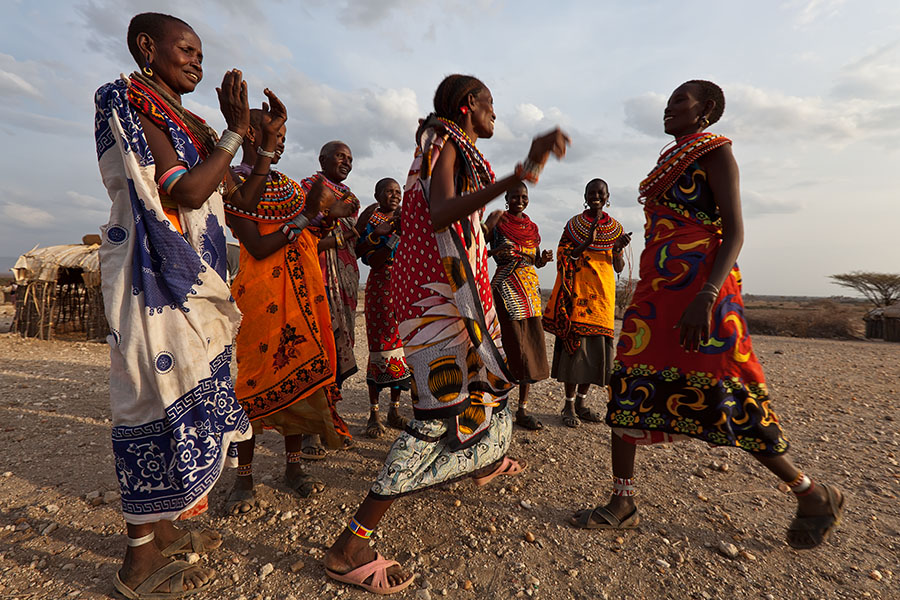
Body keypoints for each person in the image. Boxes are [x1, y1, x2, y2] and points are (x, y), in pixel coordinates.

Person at [322, 74, 570, 594]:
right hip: (439, 304)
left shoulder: (451, 144)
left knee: (486, 386)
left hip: (455, 299)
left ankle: (484, 460)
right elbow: (439, 213)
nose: (494, 114)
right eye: (490, 105)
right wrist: (518, 174)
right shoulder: (441, 140)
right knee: (435, 418)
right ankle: (349, 547)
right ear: (467, 106)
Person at [570, 80, 844, 549]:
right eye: (667, 100)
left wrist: (708, 295)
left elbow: (735, 231)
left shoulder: (717, 154)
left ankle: (811, 492)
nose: (667, 107)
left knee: (726, 393)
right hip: (658, 296)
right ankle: (623, 502)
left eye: (680, 101)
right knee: (629, 382)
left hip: (704, 293)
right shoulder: (669, 159)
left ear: (707, 110)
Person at [95, 12, 285, 598]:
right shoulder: (127, 100)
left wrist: (261, 152)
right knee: (148, 402)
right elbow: (186, 190)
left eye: (201, 53)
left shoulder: (191, 123)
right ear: (147, 47)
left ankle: (162, 529)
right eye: (186, 50)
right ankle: (137, 560)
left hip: (195, 283)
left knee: (185, 398)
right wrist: (233, 132)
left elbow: (235, 196)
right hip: (152, 283)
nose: (197, 62)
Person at [222, 109, 357, 514]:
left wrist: (326, 213)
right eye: (274, 133)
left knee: (301, 379)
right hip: (261, 298)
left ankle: (293, 469)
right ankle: (243, 479)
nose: (281, 142)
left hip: (301, 299)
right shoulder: (232, 181)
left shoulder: (284, 185)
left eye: (283, 135)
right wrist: (308, 213)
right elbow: (260, 246)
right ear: (249, 133)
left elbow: (316, 227)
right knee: (251, 386)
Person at [543, 179, 631, 428]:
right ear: (585, 195)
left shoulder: (615, 228)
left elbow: (618, 267)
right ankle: (568, 405)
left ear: (607, 196)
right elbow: (563, 256)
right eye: (591, 193)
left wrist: (617, 250)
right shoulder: (574, 225)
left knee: (595, 357)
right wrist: (586, 241)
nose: (596, 197)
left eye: (600, 193)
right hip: (578, 299)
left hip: (603, 301)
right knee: (576, 355)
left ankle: (582, 404)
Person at [300, 141, 360, 458]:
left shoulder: (351, 199)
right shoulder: (307, 189)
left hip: (345, 288)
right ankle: (310, 432)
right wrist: (338, 234)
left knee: (336, 355)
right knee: (316, 353)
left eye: (350, 159)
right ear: (322, 158)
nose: (346, 162)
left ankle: (329, 420)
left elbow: (357, 243)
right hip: (316, 281)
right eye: (340, 156)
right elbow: (300, 238)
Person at [483, 182, 553, 430]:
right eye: (515, 196)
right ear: (507, 198)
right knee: (509, 344)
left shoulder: (532, 228)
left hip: (530, 289)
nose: (519, 200)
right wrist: (495, 250)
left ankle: (522, 409)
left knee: (530, 349)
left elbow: (534, 260)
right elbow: (478, 245)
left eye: (524, 196)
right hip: (505, 287)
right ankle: (494, 406)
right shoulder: (498, 222)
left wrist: (542, 259)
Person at [355, 178, 413, 438]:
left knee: (400, 348)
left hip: (404, 288)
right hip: (381, 286)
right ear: (377, 194)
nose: (395, 195)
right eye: (388, 191)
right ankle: (374, 413)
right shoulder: (373, 221)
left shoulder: (405, 220)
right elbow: (372, 258)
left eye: (398, 192)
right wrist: (389, 236)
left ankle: (395, 410)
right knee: (380, 348)